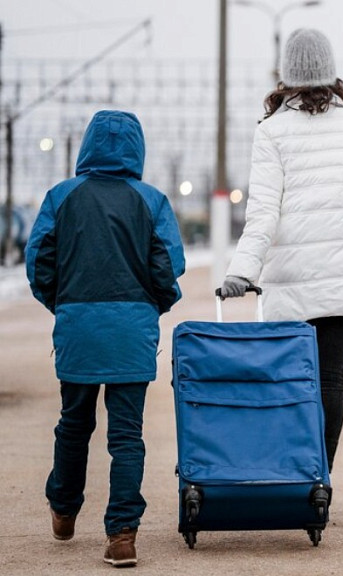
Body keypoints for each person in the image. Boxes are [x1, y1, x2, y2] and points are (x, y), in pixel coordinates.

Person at [220, 28, 343, 473]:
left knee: (292, 383)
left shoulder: (270, 132)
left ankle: (293, 473)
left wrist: (242, 272)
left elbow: (262, 214)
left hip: (291, 284)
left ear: (286, 76)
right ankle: (320, 480)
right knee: (332, 381)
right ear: (331, 72)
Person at [24, 110, 186, 568]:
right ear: (138, 148)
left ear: (87, 146)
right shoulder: (151, 200)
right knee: (127, 437)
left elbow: (39, 263)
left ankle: (64, 508)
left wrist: (63, 304)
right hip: (131, 330)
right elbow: (167, 266)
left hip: (78, 326)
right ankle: (122, 535)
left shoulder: (61, 196)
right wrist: (158, 304)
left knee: (73, 424)